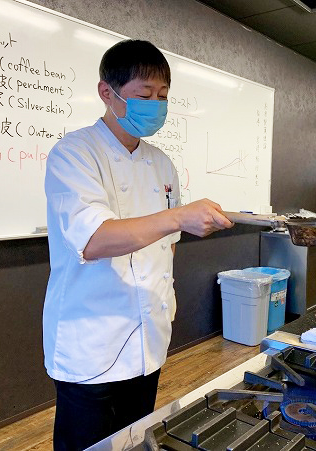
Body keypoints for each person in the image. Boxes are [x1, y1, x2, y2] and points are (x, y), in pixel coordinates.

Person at [43, 39, 233, 450]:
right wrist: (178, 216)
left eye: (163, 96)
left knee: (136, 439)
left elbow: (168, 245)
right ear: (107, 93)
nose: (156, 105)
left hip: (148, 335)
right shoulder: (74, 153)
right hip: (93, 340)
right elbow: (93, 239)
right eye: (144, 95)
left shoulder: (161, 163)